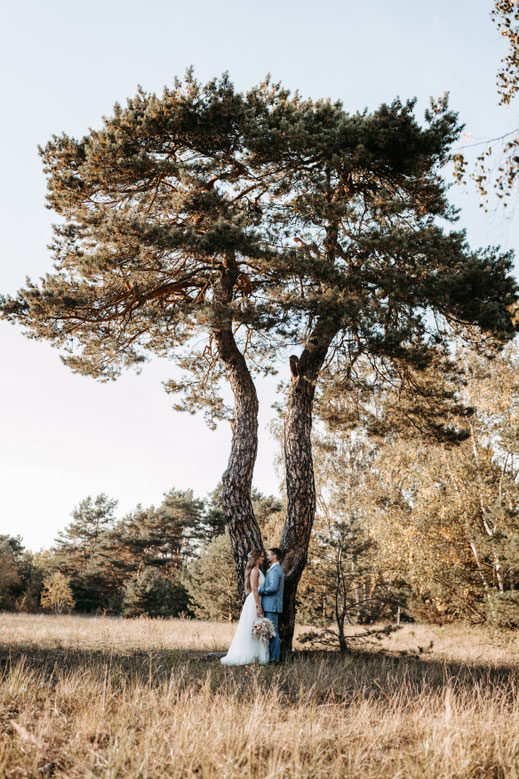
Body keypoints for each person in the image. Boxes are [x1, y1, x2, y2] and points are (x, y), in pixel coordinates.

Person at [220, 549, 269, 666]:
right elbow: (255, 590)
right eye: (262, 557)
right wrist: (259, 606)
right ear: (257, 558)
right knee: (252, 627)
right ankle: (247, 655)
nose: (263, 559)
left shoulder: (258, 570)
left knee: (257, 628)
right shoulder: (254, 571)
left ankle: (257, 655)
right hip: (254, 602)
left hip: (257, 600)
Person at [258, 547, 285, 664]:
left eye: (269, 555)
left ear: (274, 556)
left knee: (273, 632)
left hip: (272, 605)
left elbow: (273, 588)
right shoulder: (274, 569)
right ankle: (272, 656)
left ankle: (275, 658)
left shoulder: (275, 570)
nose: (267, 557)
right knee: (271, 631)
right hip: (270, 605)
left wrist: (260, 590)